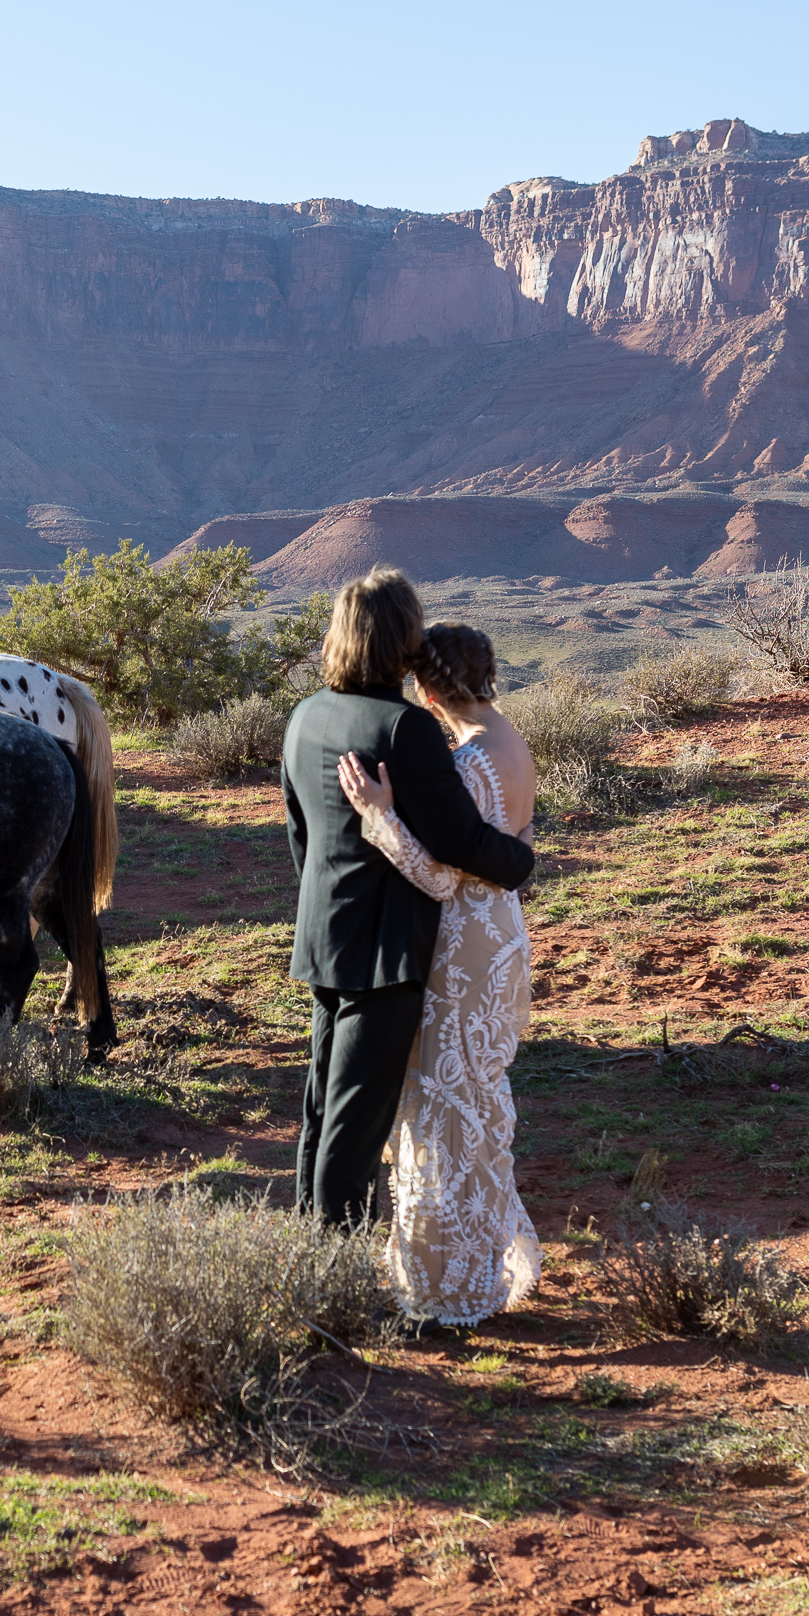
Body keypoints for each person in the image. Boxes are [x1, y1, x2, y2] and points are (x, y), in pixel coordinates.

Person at [281, 567, 534, 1231]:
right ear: (400, 636)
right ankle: (337, 1264)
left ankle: (309, 1246)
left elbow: (299, 837)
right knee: (357, 1121)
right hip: (387, 953)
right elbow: (459, 840)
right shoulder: (403, 729)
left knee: (319, 1105)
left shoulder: (305, 715)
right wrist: (521, 858)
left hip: (322, 939)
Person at [336, 623, 541, 1323]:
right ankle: (476, 1261)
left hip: (461, 948)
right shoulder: (507, 739)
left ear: (424, 689)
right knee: (477, 1099)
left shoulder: (467, 765)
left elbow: (437, 879)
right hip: (503, 935)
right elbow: (516, 842)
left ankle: (445, 1283)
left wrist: (378, 816)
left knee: (440, 1104)